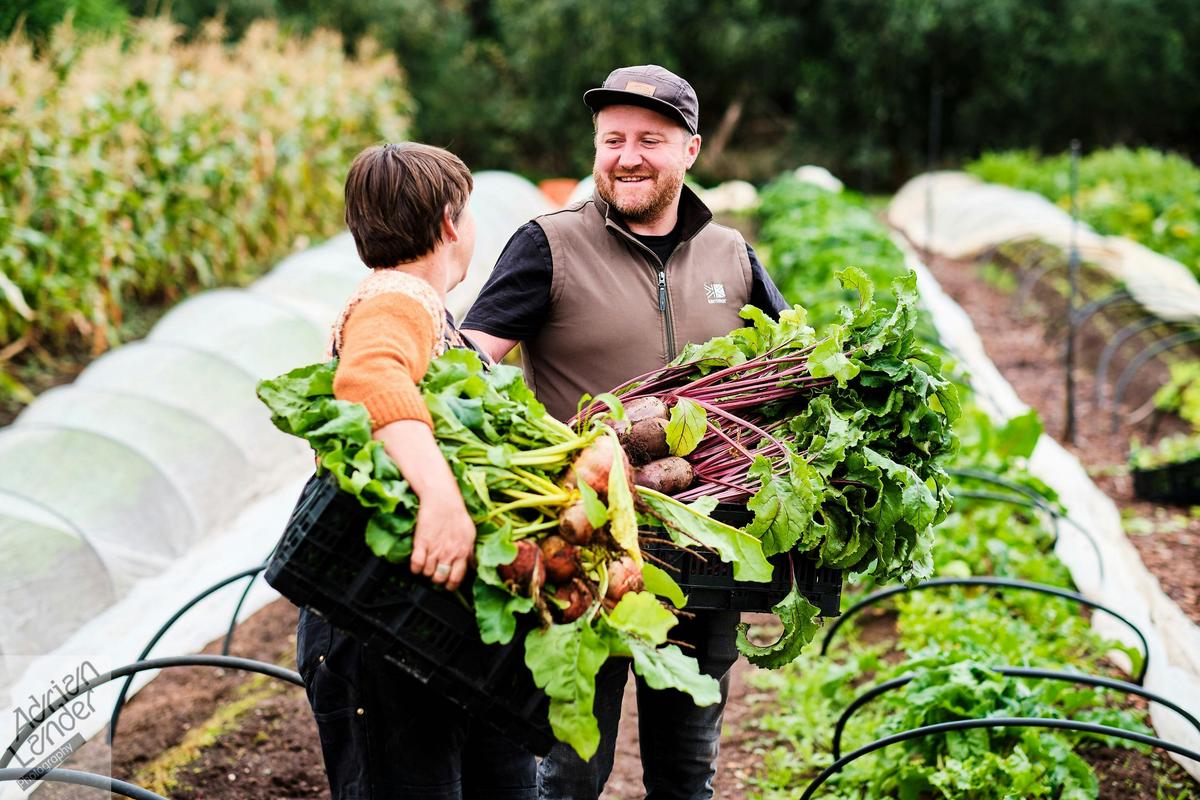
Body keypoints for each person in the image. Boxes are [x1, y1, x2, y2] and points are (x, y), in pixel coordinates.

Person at [461, 65, 790, 800]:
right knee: (570, 771)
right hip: (583, 548)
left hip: (706, 553)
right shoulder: (549, 244)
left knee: (686, 773)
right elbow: (467, 364)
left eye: (650, 139)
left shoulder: (730, 257)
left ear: (692, 151)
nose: (627, 156)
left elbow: (791, 373)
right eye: (612, 139)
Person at [295, 142, 537, 800]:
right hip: (377, 629)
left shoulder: (425, 312)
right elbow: (370, 376)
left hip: (418, 624)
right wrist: (442, 499)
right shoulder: (397, 299)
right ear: (453, 221)